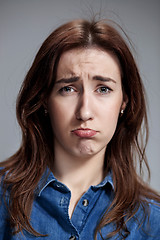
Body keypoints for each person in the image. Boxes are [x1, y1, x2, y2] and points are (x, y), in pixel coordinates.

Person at [0, 18, 160, 240]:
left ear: (124, 102)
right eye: (68, 89)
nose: (85, 112)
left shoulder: (153, 221)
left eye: (103, 89)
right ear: (44, 100)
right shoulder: (3, 201)